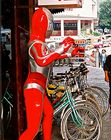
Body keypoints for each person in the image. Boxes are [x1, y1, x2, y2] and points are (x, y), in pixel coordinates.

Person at [19, 8, 82, 140]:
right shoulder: (34, 44)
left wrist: (69, 53)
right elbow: (42, 61)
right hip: (34, 89)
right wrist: (61, 49)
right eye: (50, 24)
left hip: (39, 88)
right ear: (44, 24)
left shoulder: (40, 44)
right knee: (33, 129)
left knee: (49, 113)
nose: (51, 27)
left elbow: (50, 58)